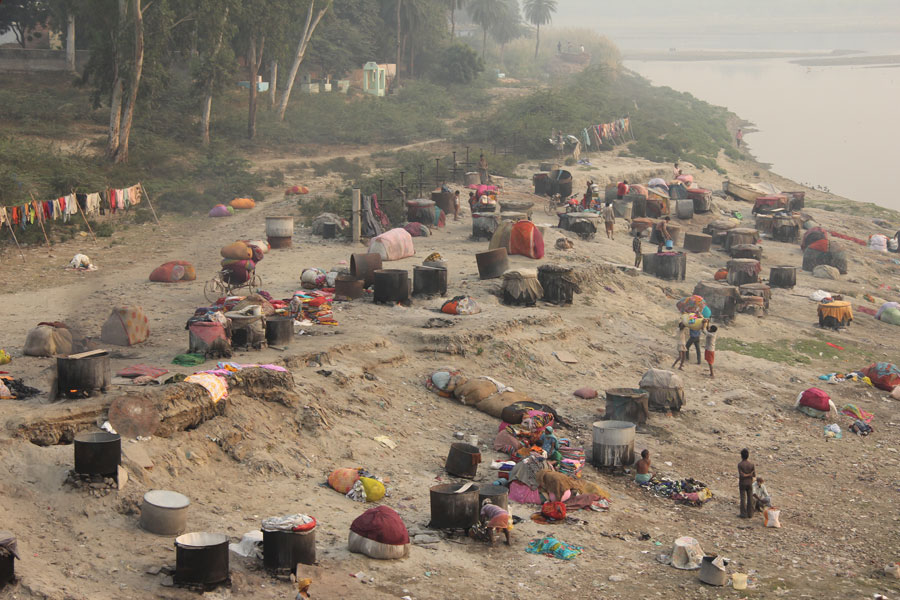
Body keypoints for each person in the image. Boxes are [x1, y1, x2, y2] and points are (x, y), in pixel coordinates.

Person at [738, 448, 756, 518]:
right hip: (749, 483)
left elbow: (741, 474)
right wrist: (749, 474)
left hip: (742, 483)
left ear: (741, 456)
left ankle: (743, 514)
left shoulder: (740, 464)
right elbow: (754, 475)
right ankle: (750, 514)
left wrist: (745, 475)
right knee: (750, 498)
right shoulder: (751, 464)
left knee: (743, 498)